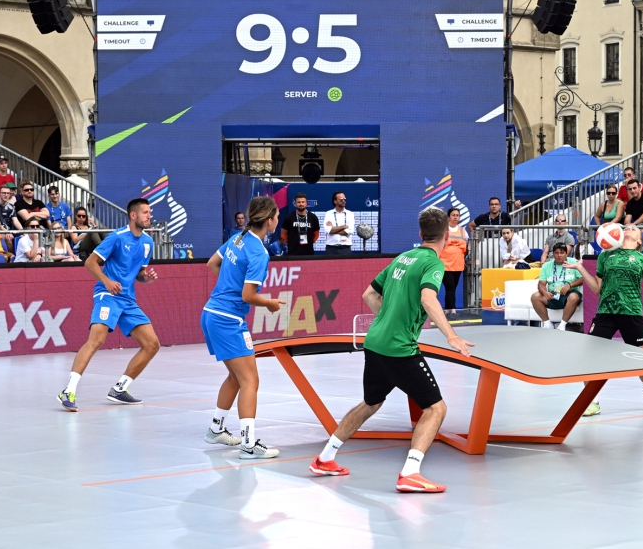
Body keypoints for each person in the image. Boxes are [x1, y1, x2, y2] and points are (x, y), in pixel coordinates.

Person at [308, 207, 475, 493]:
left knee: (371, 403)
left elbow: (369, 294)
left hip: (374, 342)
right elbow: (428, 298)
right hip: (400, 348)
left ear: (420, 234)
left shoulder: (402, 258)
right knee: (436, 408)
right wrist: (452, 336)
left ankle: (325, 458)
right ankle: (410, 473)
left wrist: (387, 318)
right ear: (447, 236)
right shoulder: (433, 264)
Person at [563, 228, 643, 416]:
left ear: (639, 241)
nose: (629, 228)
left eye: (634, 228)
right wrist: (580, 268)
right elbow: (596, 288)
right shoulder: (606, 254)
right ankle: (591, 400)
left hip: (632, 312)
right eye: (628, 226)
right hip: (606, 311)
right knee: (590, 357)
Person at [202, 196, 287, 459]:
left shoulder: (239, 238)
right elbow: (249, 296)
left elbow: (212, 264)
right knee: (251, 380)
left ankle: (216, 429)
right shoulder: (260, 252)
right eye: (276, 216)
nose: (277, 219)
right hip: (228, 320)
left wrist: (230, 283)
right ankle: (249, 445)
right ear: (270, 219)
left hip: (210, 313)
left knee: (236, 377)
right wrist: (270, 304)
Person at [56, 198, 160, 412]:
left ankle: (120, 389)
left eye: (150, 212)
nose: (150, 216)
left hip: (128, 299)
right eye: (146, 212)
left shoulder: (148, 242)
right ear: (133, 215)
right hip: (107, 295)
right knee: (96, 340)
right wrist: (107, 281)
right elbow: (90, 262)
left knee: (152, 344)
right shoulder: (116, 237)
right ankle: (68, 390)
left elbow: (139, 273)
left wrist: (146, 278)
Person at [531, 243, 584, 330]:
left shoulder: (574, 262)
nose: (559, 255)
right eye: (557, 253)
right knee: (535, 296)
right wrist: (545, 292)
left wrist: (569, 285)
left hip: (568, 294)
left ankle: (562, 325)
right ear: (553, 254)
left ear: (566, 254)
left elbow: (583, 279)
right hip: (553, 295)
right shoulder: (546, 265)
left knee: (574, 297)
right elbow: (541, 284)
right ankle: (548, 324)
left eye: (562, 253)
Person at [439, 207, 468, 315]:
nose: (456, 217)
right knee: (450, 286)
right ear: (448, 217)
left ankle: (446, 310)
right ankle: (454, 311)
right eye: (453, 215)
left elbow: (467, 246)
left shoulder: (463, 230)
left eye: (457, 215)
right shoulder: (443, 230)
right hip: (445, 264)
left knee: (452, 288)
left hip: (458, 264)